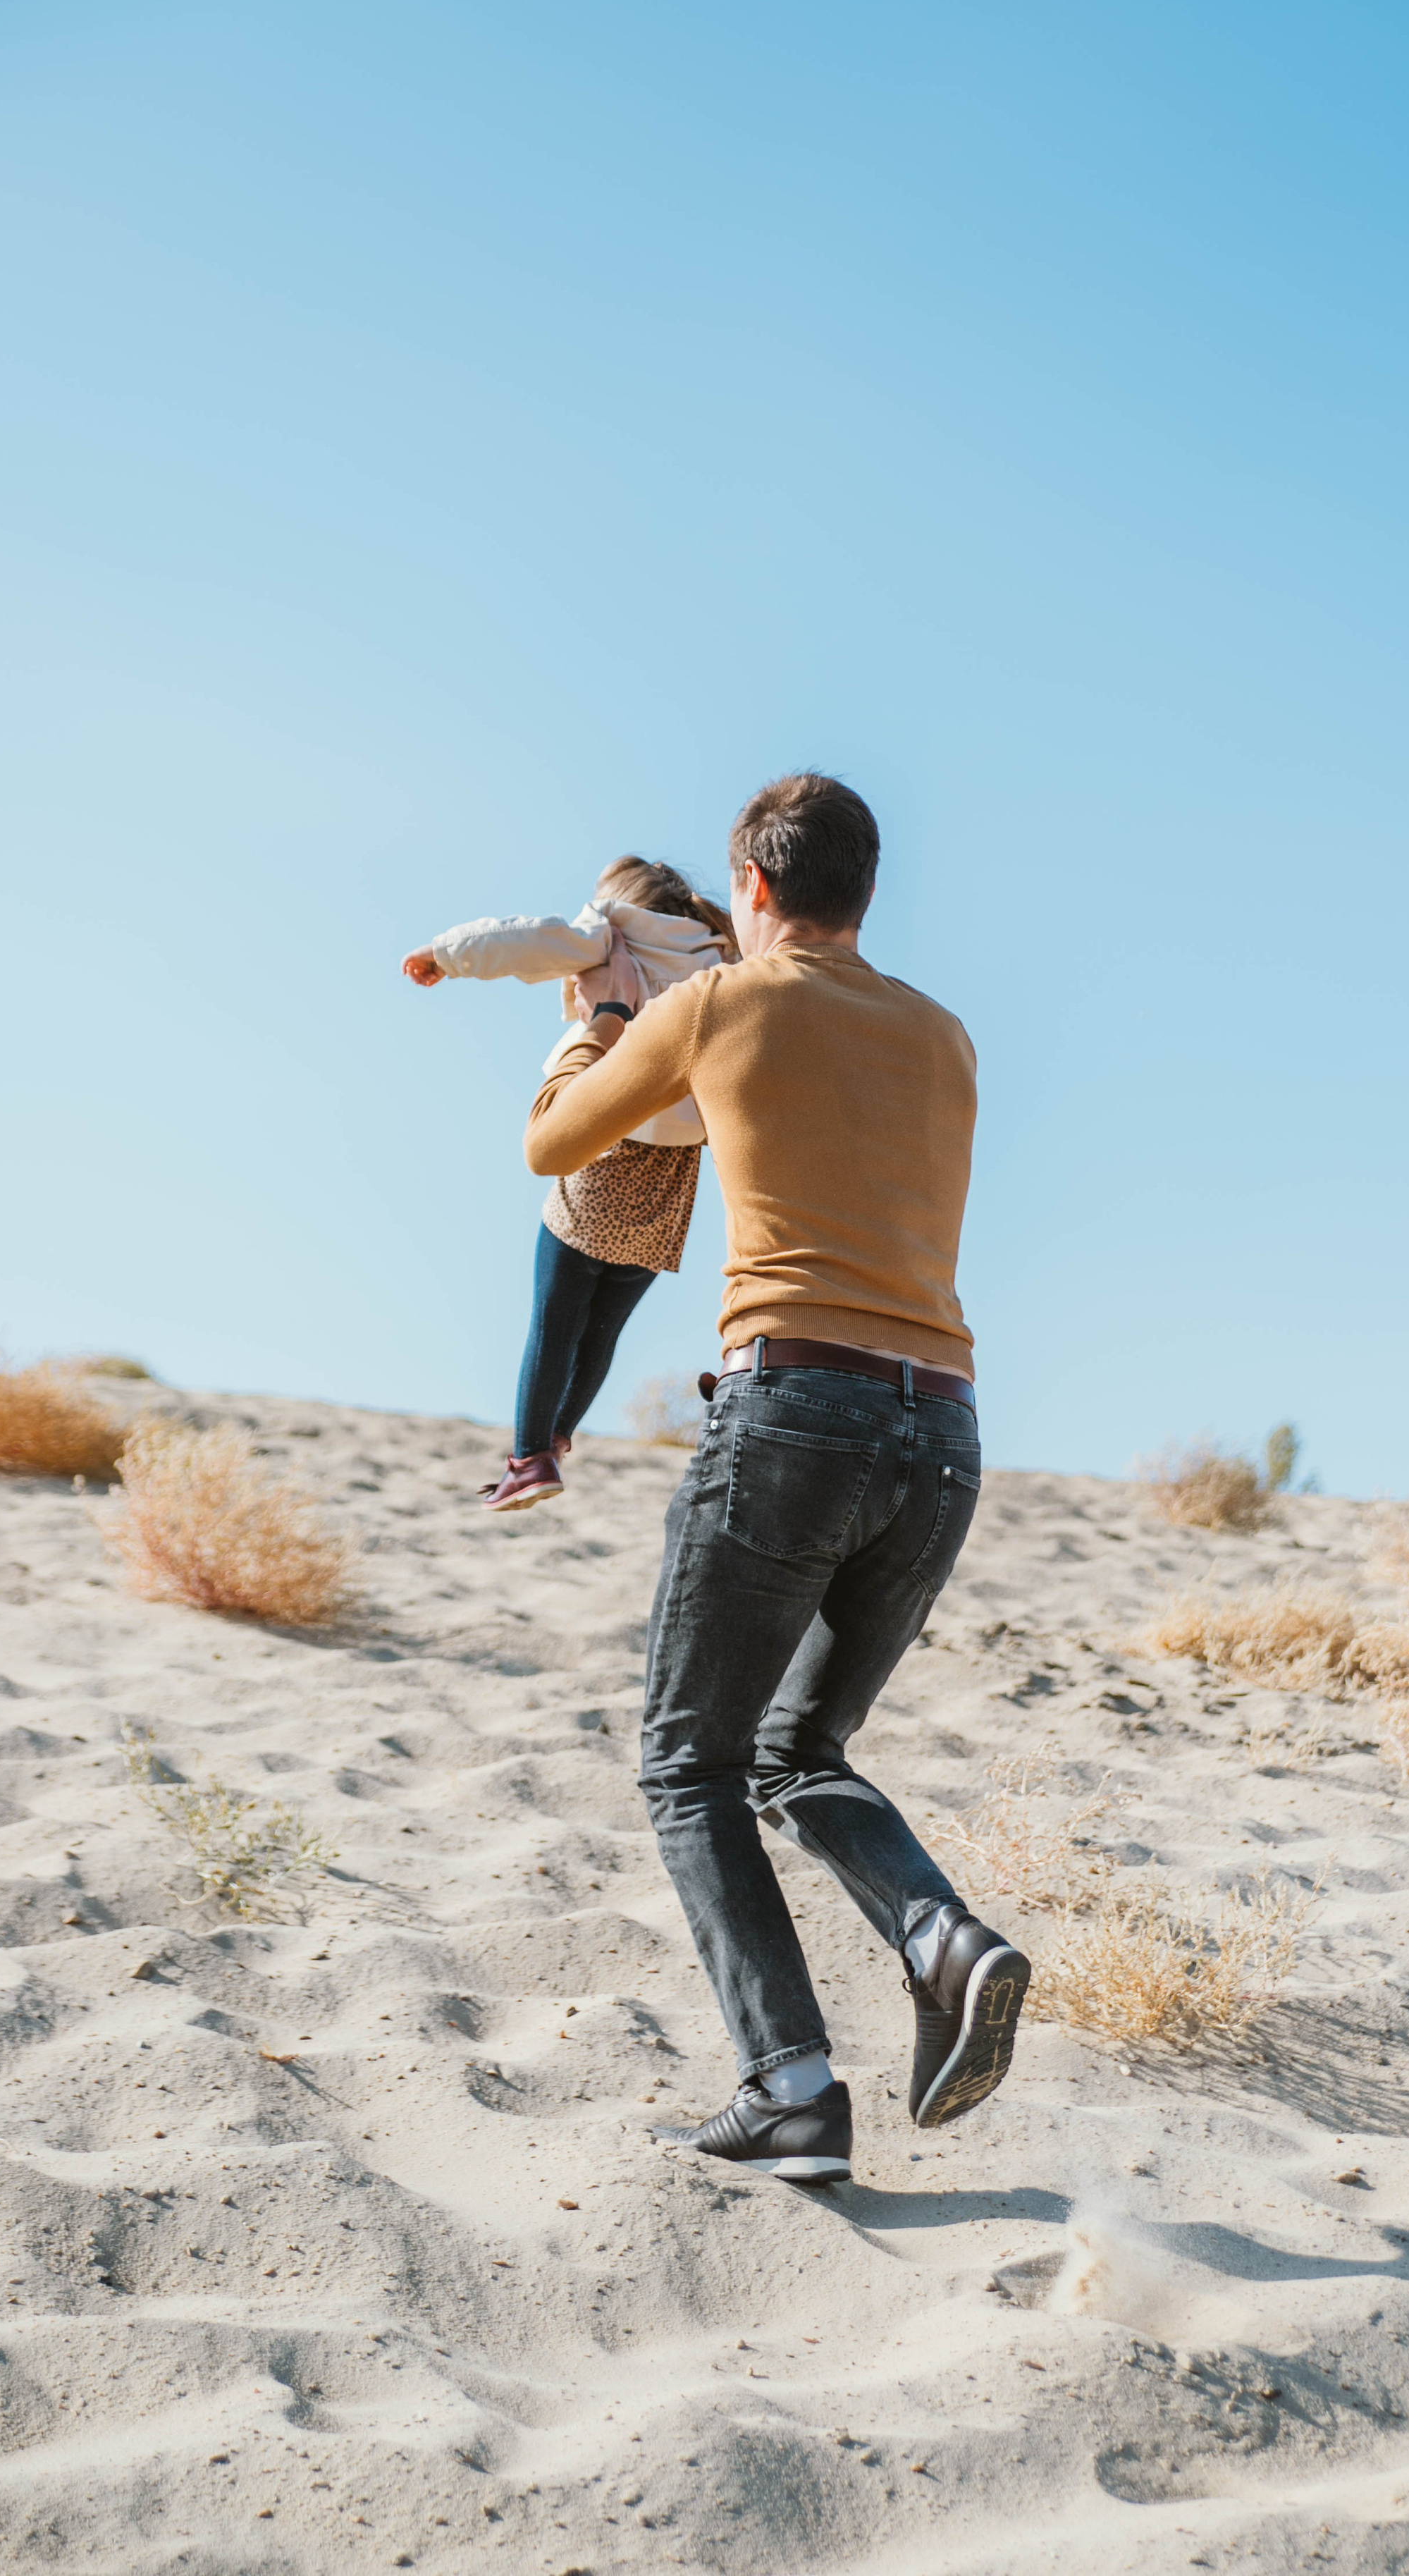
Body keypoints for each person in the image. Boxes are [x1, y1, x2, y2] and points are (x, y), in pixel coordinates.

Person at [522, 773, 1028, 2183]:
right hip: (940, 1434)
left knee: (687, 1764)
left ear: (749, 883)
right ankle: (937, 1936)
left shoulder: (716, 1005)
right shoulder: (945, 1037)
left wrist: (593, 1031)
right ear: (864, 892)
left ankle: (792, 2084)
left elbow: (552, 1150)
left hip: (791, 1409)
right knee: (796, 1753)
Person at [402, 859, 735, 1512]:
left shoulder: (611, 931)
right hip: (674, 1173)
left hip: (604, 1142)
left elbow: (524, 938)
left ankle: (530, 1459)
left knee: (554, 1321)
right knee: (602, 1329)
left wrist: (444, 953)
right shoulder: (719, 958)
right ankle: (557, 1435)